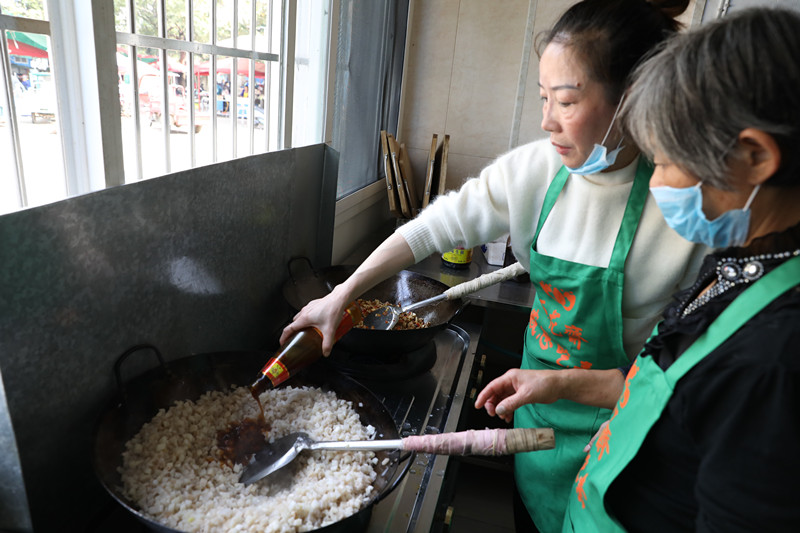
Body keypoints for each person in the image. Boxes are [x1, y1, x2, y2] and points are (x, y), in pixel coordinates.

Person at [282, 1, 706, 531]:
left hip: (627, 430)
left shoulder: (685, 205)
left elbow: (689, 369)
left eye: (566, 101)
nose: (546, 121)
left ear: (635, 97)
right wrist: (340, 294)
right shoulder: (537, 170)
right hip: (535, 414)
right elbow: (433, 227)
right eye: (544, 98)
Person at [476, 7, 800, 532]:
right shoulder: (740, 267)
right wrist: (557, 383)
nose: (656, 183)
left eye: (667, 160)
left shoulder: (775, 354)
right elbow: (662, 393)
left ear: (754, 157)